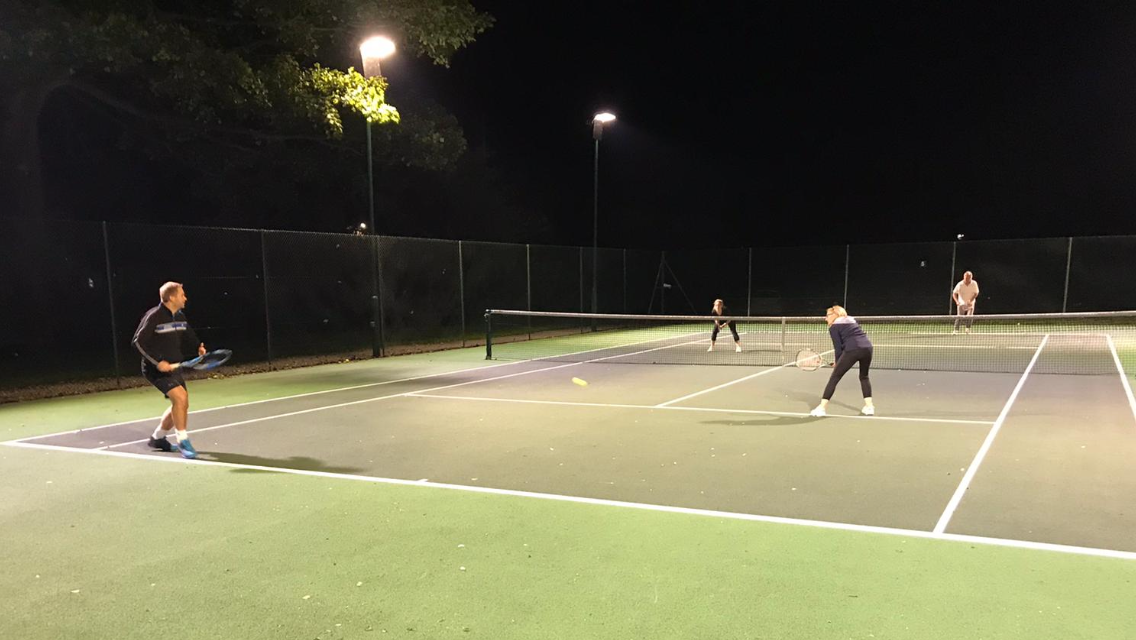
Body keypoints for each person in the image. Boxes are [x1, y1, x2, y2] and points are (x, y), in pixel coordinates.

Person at [132, 281, 206, 459]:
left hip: (175, 367)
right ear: (171, 297)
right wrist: (158, 362)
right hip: (155, 370)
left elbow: (188, 332)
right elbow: (138, 341)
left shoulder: (179, 316)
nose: (185, 298)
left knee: (181, 404)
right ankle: (183, 440)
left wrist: (198, 346)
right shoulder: (154, 316)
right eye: (182, 294)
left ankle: (158, 438)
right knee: (181, 398)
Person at [810, 305, 874, 417]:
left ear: (835, 315)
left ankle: (821, 408)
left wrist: (837, 362)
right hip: (867, 348)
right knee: (864, 376)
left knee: (834, 378)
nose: (826, 318)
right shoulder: (852, 322)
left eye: (827, 315)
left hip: (852, 350)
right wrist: (838, 361)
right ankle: (869, 407)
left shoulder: (834, 327)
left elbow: (838, 347)